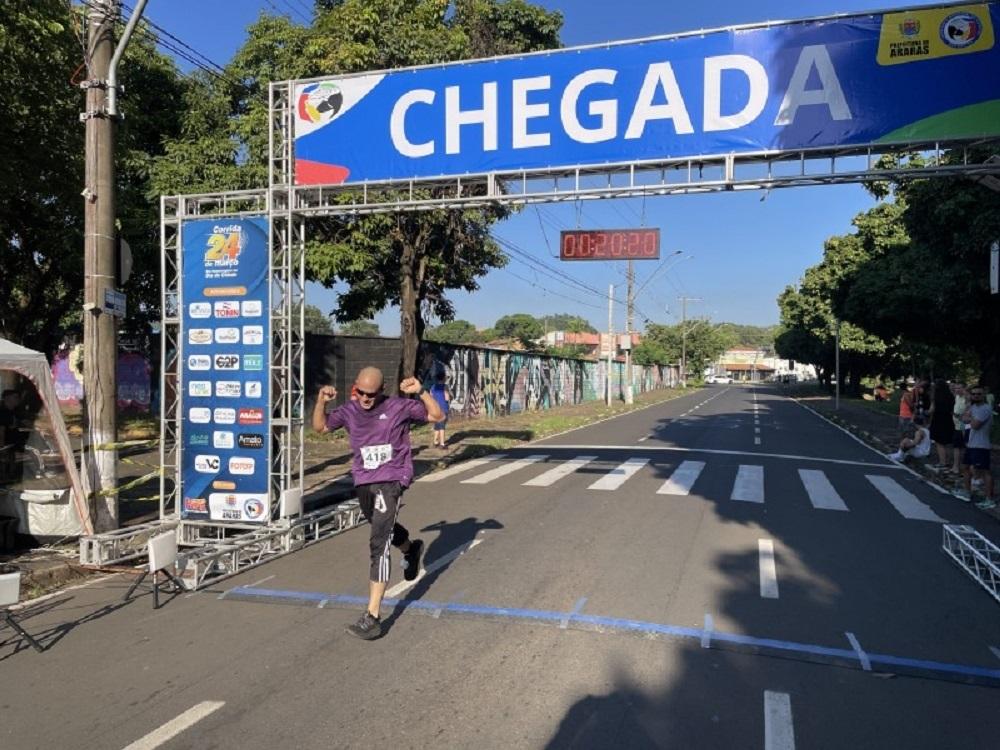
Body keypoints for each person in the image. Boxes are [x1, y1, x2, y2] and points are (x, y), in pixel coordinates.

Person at [312, 367, 444, 640]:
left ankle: (373, 616)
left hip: (392, 478)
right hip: (364, 481)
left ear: (381, 392)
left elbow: (436, 416)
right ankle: (410, 549)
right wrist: (321, 401)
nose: (365, 399)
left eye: (371, 394)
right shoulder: (349, 411)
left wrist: (420, 391)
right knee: (381, 526)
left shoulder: (398, 407)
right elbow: (321, 427)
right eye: (361, 393)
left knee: (379, 542)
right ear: (354, 389)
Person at [960, 385, 995, 508]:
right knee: (965, 467)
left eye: (978, 394)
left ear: (983, 395)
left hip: (981, 445)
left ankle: (989, 498)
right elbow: (963, 419)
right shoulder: (973, 407)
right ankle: (967, 491)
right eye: (973, 394)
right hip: (971, 443)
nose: (976, 396)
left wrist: (969, 418)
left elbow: (975, 425)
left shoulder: (985, 408)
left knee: (985, 471)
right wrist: (969, 416)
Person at [928, 379, 955, 469]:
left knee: (939, 443)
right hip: (948, 420)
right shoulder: (950, 396)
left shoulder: (935, 397)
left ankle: (942, 462)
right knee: (947, 442)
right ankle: (949, 461)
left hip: (938, 420)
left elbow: (932, 410)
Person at [430, 372, 451, 449]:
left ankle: (435, 442)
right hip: (443, 408)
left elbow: (431, 397)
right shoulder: (445, 387)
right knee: (442, 427)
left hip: (435, 409)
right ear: (443, 379)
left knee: (437, 426)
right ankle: (442, 444)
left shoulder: (433, 387)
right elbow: (447, 398)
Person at [950, 382, 967, 475]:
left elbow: (968, 412)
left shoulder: (967, 398)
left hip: (964, 426)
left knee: (963, 447)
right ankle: (955, 466)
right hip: (957, 425)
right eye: (956, 388)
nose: (957, 390)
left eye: (959, 388)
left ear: (964, 388)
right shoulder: (957, 397)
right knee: (956, 446)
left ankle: (963, 467)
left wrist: (959, 415)